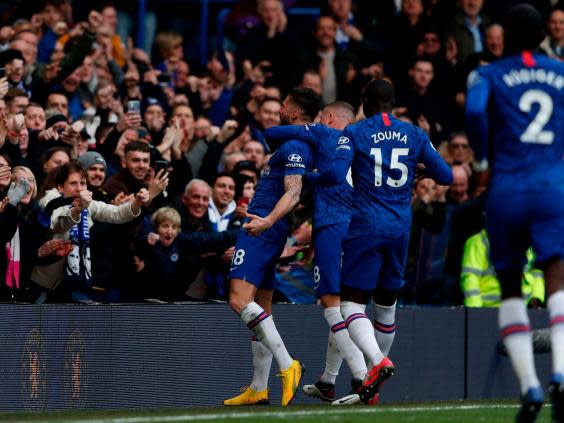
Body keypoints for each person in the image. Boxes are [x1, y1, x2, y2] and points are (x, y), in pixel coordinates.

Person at [311, 79, 452, 404]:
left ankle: (377, 362)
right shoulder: (414, 133)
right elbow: (445, 175)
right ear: (393, 103)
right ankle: (373, 392)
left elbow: (337, 173)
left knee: (350, 304)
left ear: (365, 102)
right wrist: (421, 171)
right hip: (401, 227)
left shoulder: (355, 133)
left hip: (366, 225)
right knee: (386, 307)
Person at [465, 5, 564, 422]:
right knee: (557, 282)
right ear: (544, 32)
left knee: (510, 288)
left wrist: (483, 162)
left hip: (506, 188)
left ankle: (529, 386)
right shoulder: (561, 71)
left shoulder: (488, 73)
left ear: (503, 33)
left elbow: (473, 111)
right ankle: (561, 372)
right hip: (553, 188)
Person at [264, 102, 368, 405]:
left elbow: (272, 133)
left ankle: (363, 376)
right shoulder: (358, 146)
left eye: (323, 117)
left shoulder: (325, 133)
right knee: (344, 305)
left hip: (332, 226)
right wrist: (312, 245)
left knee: (330, 303)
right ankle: (328, 381)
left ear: (330, 118)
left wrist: (304, 169)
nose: (320, 121)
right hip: (356, 229)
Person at [224, 88, 320, 407]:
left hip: (262, 229)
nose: (279, 108)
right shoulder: (290, 143)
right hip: (265, 225)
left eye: (283, 104)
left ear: (294, 113)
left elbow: (293, 192)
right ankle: (258, 387)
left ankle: (287, 364)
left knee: (239, 300)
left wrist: (265, 221)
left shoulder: (294, 145)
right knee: (262, 308)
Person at [461, 229, 545, 308]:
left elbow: (536, 271)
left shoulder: (526, 240)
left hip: (524, 309)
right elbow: (470, 278)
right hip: (490, 310)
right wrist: (476, 312)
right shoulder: (479, 241)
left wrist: (537, 297)